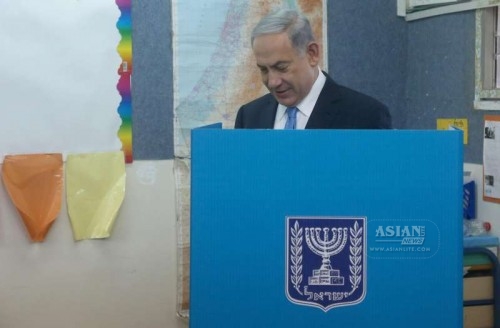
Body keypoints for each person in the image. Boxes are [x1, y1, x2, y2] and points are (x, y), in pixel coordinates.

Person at [234, 8, 392, 129]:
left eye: (281, 67)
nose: (273, 82)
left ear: (312, 54)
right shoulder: (249, 117)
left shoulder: (366, 115)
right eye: (264, 70)